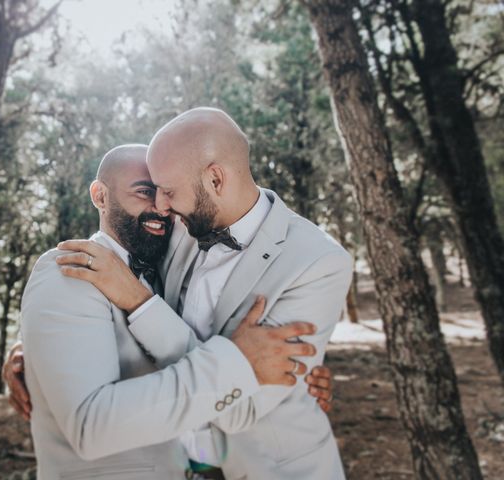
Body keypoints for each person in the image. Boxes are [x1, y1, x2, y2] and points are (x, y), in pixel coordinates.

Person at [50, 108, 353, 479]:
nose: (160, 207)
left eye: (169, 191)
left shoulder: (319, 261)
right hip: (186, 463)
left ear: (215, 179)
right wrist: (40, 351)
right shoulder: (181, 225)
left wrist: (140, 304)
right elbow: (117, 249)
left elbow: (241, 407)